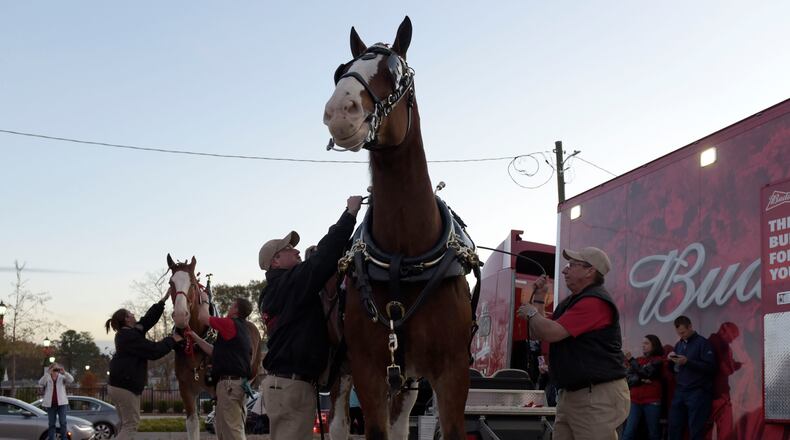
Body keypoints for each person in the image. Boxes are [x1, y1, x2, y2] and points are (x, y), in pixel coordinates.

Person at [258, 195, 362, 440]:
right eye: (288, 249)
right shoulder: (288, 284)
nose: (296, 250)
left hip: (283, 385)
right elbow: (324, 258)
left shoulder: (276, 290)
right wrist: (349, 213)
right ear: (275, 261)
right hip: (292, 387)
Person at [517, 247, 629, 440]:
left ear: (590, 270)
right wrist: (539, 298)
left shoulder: (595, 302)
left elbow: (551, 332)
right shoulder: (573, 302)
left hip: (595, 396)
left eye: (571, 265)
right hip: (576, 394)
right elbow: (540, 332)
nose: (564, 270)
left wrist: (531, 313)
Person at [106, 292, 182, 440]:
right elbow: (154, 351)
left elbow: (148, 320)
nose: (133, 314)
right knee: (131, 425)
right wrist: (172, 340)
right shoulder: (129, 337)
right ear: (126, 320)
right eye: (130, 314)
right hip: (125, 387)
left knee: (125, 424)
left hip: (117, 385)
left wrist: (163, 301)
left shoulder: (130, 332)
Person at [189, 295, 255, 440]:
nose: (229, 307)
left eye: (232, 305)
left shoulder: (230, 324)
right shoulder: (241, 329)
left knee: (232, 431)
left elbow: (202, 317)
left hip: (229, 386)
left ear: (236, 310)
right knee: (224, 431)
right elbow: (214, 352)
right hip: (233, 386)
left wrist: (205, 299)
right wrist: (195, 337)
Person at [667, 315, 716, 440]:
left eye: (683, 332)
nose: (681, 335)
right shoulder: (679, 344)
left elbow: (711, 368)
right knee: (674, 426)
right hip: (680, 390)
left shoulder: (703, 343)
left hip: (697, 392)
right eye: (678, 333)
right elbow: (674, 370)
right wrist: (671, 360)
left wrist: (688, 362)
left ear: (690, 327)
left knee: (696, 429)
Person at [622, 334, 665, 440]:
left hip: (652, 401)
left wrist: (632, 361)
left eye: (646, 343)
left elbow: (646, 373)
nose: (643, 345)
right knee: (628, 433)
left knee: (654, 434)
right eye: (642, 343)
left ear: (654, 345)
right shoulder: (638, 360)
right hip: (635, 401)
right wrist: (641, 379)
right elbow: (627, 378)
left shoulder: (659, 360)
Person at [706, 322, 741, 440]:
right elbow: (726, 369)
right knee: (725, 431)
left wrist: (736, 365)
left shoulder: (707, 343)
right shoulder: (721, 345)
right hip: (720, 395)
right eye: (732, 337)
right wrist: (737, 365)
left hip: (707, 395)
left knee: (706, 431)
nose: (731, 340)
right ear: (723, 331)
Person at [38, 362, 74, 440]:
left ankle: (64, 438)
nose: (55, 371)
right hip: (51, 404)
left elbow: (71, 380)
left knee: (63, 422)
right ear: (51, 369)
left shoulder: (62, 377)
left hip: (62, 404)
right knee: (51, 424)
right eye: (54, 369)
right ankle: (52, 438)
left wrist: (64, 372)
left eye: (57, 369)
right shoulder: (47, 377)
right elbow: (40, 382)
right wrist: (48, 373)